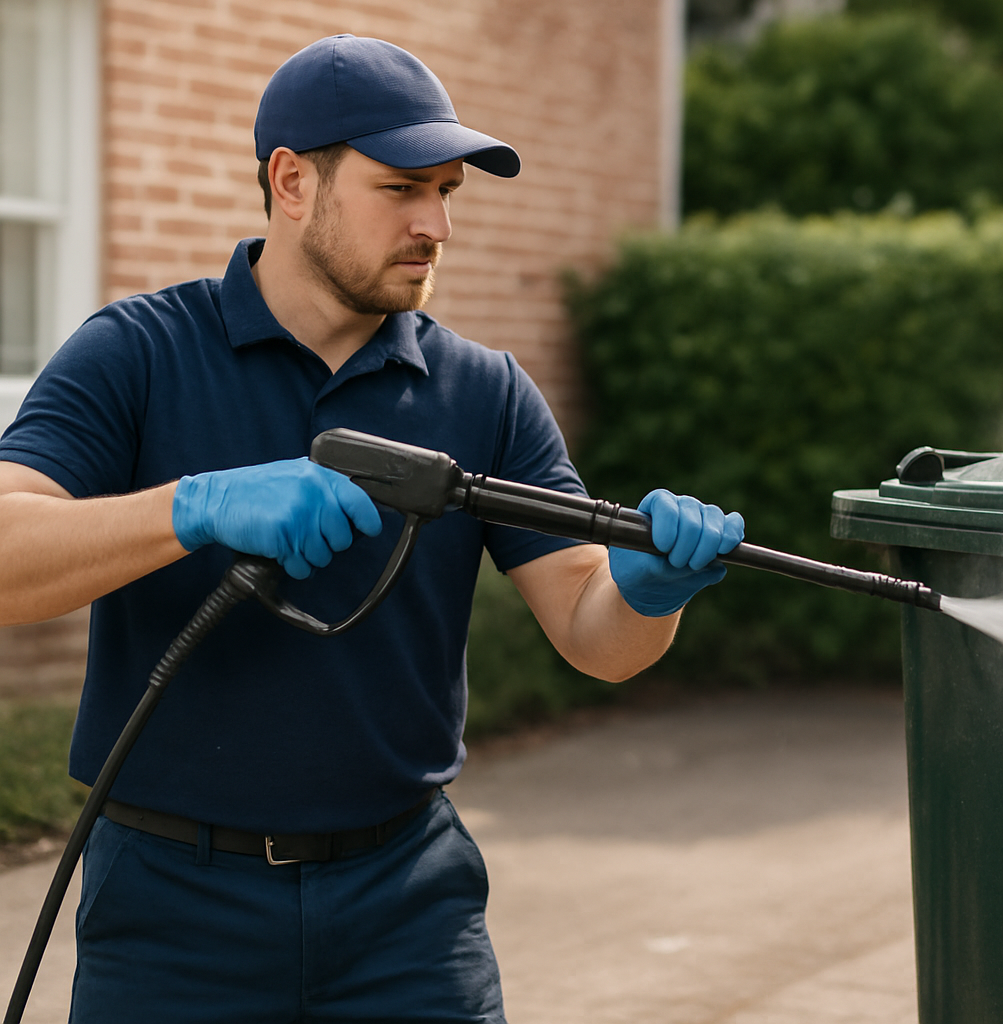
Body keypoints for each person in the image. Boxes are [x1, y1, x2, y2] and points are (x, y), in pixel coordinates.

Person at [0, 34, 742, 1023]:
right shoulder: (136, 354)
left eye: (447, 192)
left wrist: (649, 591)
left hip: (407, 912)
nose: (437, 224)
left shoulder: (486, 393)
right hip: (171, 912)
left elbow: (592, 631)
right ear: (291, 181)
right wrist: (193, 505)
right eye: (401, 189)